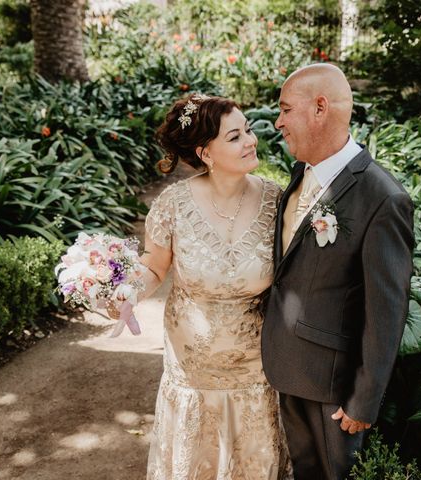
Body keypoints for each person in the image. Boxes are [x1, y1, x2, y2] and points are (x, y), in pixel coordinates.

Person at [113, 93, 292, 479]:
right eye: (234, 137)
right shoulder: (172, 204)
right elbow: (155, 268)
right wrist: (128, 292)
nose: (250, 141)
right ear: (205, 152)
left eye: (248, 130)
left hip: (255, 372)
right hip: (192, 375)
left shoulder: (277, 200)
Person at [261, 63, 415, 479]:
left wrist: (363, 400)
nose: (278, 122)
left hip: (333, 390)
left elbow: (386, 310)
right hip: (289, 369)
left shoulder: (383, 198)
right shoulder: (299, 175)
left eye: (285, 109)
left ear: (320, 108)